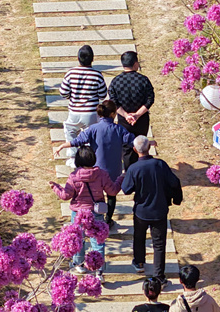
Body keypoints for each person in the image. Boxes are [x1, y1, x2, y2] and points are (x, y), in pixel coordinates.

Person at [52, 100, 153, 229]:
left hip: (96, 169)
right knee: (112, 194)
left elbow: (78, 141)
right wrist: (147, 143)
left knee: (96, 194)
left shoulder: (93, 129)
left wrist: (62, 145)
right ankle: (108, 219)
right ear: (112, 114)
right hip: (113, 168)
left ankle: (96, 216)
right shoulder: (118, 129)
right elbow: (132, 141)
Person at [121, 135, 182, 286]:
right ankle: (159, 276)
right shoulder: (160, 164)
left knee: (139, 237)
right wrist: (177, 199)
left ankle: (139, 262)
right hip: (159, 211)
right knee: (159, 244)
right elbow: (174, 182)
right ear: (149, 148)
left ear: (135, 150)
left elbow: (126, 190)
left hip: (141, 211)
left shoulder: (134, 168)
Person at [50, 146, 118, 280]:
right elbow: (112, 191)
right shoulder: (102, 174)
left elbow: (65, 195)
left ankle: (79, 264)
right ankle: (99, 271)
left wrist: (55, 187)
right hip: (96, 212)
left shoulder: (74, 176)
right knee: (98, 242)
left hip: (79, 214)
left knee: (78, 240)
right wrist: (120, 179)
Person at [108, 51, 154, 171]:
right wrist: (137, 114)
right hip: (142, 119)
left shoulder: (115, 81)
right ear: (135, 64)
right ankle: (142, 170)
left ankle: (129, 173)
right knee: (141, 146)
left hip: (124, 121)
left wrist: (126, 115)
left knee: (127, 149)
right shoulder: (143, 80)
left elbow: (114, 102)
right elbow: (150, 99)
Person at [59, 45, 107, 152]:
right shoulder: (97, 75)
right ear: (92, 59)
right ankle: (91, 156)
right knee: (92, 136)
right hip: (91, 112)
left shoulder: (70, 73)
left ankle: (73, 157)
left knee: (70, 132)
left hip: (74, 111)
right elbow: (103, 95)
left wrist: (71, 97)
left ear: (78, 58)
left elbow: (63, 92)